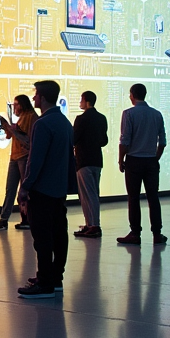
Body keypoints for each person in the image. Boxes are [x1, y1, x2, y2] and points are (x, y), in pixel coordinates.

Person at [17, 81, 74, 299]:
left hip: (42, 190)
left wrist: (26, 186)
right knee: (59, 234)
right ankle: (55, 277)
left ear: (42, 97)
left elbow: (35, 160)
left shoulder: (42, 124)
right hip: (59, 189)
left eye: (36, 95)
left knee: (42, 237)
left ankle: (44, 281)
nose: (33, 99)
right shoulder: (64, 123)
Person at [117, 84, 167, 246]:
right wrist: (155, 158)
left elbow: (125, 140)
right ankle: (157, 233)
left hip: (133, 160)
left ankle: (135, 233)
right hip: (151, 160)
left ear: (132, 95)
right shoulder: (157, 114)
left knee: (133, 198)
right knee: (153, 197)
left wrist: (120, 159)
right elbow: (163, 142)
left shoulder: (128, 114)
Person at [0, 95, 38, 232]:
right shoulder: (23, 117)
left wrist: (11, 129)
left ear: (23, 104)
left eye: (16, 104)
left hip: (24, 157)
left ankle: (27, 219)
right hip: (15, 156)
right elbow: (11, 136)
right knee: (10, 189)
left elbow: (28, 140)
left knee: (24, 191)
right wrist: (7, 128)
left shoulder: (31, 117)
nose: (14, 107)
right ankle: (4, 219)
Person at [72, 91, 108, 239]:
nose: (80, 102)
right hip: (96, 160)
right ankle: (90, 223)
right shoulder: (101, 118)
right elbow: (104, 140)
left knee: (86, 194)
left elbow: (74, 139)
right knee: (92, 192)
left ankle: (93, 225)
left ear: (86, 101)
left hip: (83, 160)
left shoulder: (81, 119)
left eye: (81, 99)